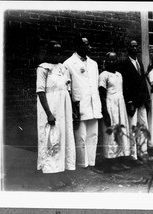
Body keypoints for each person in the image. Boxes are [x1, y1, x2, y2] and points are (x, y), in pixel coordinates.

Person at [36, 40, 76, 186]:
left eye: (59, 51)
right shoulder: (43, 68)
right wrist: (49, 114)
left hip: (64, 108)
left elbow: (68, 89)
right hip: (51, 108)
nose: (57, 54)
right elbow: (40, 92)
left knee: (64, 137)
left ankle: (62, 171)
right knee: (52, 138)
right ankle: (51, 176)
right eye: (54, 51)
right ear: (48, 52)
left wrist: (72, 110)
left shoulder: (63, 68)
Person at [63, 35, 103, 173]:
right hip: (79, 105)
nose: (88, 47)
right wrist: (73, 107)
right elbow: (68, 88)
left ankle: (92, 163)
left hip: (93, 103)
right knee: (81, 136)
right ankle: (83, 165)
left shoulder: (93, 64)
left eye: (88, 44)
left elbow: (95, 85)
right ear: (77, 46)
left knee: (93, 135)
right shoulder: (68, 64)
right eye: (85, 44)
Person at [99, 52, 136, 171]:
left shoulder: (119, 75)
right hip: (110, 105)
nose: (112, 62)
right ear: (106, 61)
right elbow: (102, 95)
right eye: (110, 60)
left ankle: (120, 160)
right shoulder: (104, 75)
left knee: (121, 132)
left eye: (114, 60)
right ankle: (111, 162)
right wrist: (105, 112)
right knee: (112, 132)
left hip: (120, 105)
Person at [119, 40, 150, 160]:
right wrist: (129, 102)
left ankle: (143, 152)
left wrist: (146, 97)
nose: (135, 49)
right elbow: (125, 85)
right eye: (132, 47)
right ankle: (133, 155)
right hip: (132, 101)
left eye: (137, 46)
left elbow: (142, 82)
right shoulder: (125, 63)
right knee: (132, 128)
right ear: (128, 48)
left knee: (143, 126)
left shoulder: (139, 63)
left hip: (141, 100)